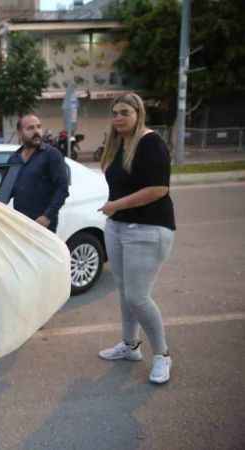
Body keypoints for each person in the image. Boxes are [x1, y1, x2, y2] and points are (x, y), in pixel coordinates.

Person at [97, 92, 176, 384]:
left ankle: (162, 355)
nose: (118, 118)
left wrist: (116, 205)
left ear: (138, 113)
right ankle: (130, 346)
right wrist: (115, 211)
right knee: (124, 291)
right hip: (118, 227)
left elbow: (159, 189)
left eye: (125, 112)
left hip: (148, 229)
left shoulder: (150, 142)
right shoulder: (118, 144)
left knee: (137, 297)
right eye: (115, 113)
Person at [0, 114, 69, 233]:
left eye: (39, 127)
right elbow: (6, 192)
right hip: (21, 224)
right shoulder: (14, 159)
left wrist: (47, 217)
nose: (36, 131)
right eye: (30, 128)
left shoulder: (52, 154)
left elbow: (62, 189)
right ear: (20, 133)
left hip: (43, 225)